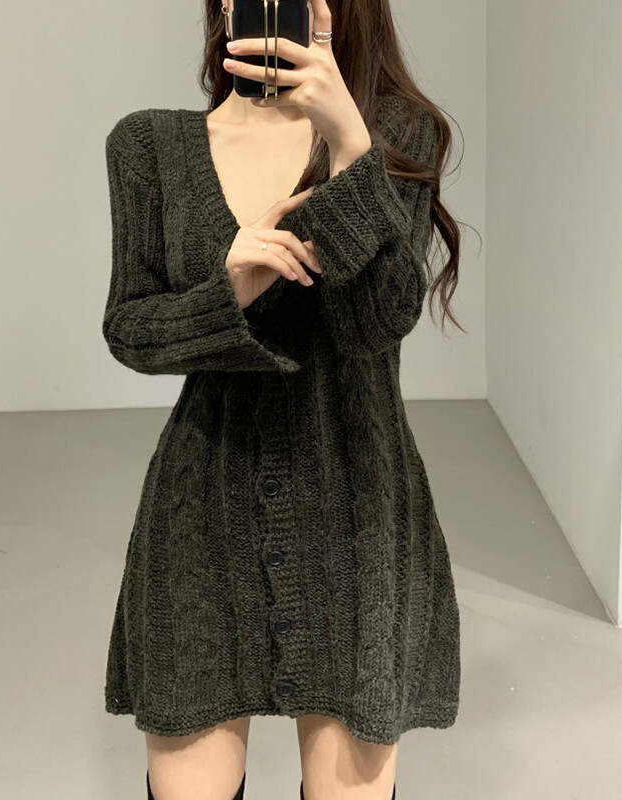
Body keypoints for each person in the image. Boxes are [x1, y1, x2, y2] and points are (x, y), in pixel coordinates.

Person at [101, 1, 464, 798]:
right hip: (202, 512)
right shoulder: (149, 146)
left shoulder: (399, 136)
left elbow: (380, 322)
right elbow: (130, 330)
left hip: (358, 511)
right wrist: (228, 289)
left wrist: (351, 149)